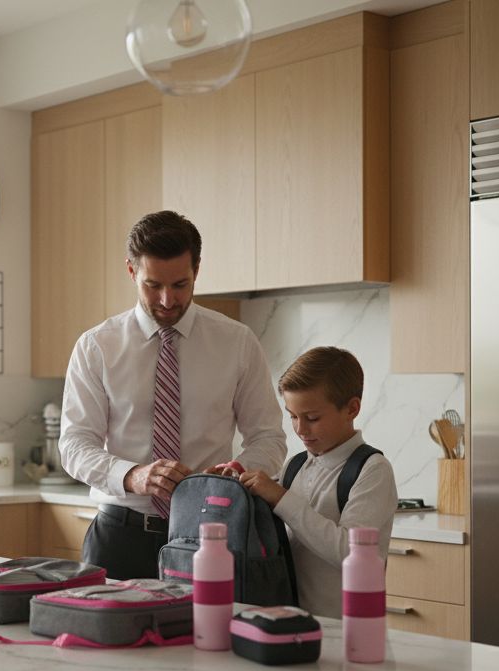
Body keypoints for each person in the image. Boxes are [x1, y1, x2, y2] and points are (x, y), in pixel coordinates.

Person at [60, 210, 287, 579]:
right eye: (153, 285)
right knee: (111, 636)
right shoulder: (97, 346)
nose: (167, 300)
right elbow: (73, 445)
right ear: (132, 272)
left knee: (209, 637)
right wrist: (132, 475)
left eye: (180, 284)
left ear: (197, 270)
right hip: (121, 535)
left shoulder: (237, 343)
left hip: (210, 534)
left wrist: (235, 473)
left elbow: (268, 438)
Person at [239, 346, 398, 618]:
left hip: (347, 631)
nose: (300, 429)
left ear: (352, 408)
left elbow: (350, 552)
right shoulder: (296, 464)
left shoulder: (373, 470)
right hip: (289, 623)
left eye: (312, 418)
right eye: (292, 416)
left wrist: (279, 497)